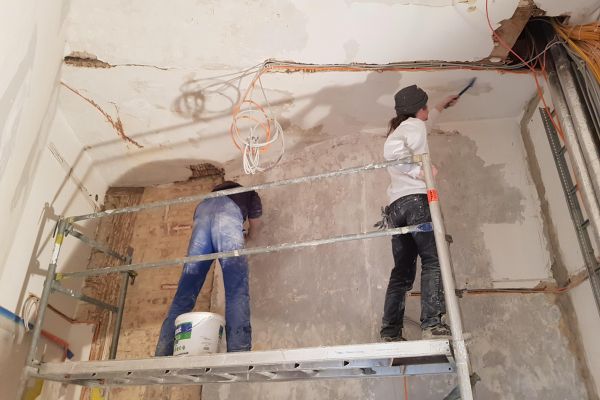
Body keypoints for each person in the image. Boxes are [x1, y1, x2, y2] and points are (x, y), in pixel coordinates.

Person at [380, 84, 458, 341]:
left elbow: (423, 125)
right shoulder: (413, 126)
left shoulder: (408, 126)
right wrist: (420, 172)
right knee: (434, 260)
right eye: (426, 107)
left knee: (402, 272)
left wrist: (440, 106)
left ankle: (390, 332)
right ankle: (432, 324)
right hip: (417, 202)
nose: (427, 112)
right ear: (418, 110)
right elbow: (392, 151)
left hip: (396, 209)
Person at [155, 181, 262, 355]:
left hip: (202, 213)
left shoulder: (210, 197)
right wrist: (248, 237)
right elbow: (255, 227)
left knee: (185, 293)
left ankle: (163, 353)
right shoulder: (251, 194)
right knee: (236, 291)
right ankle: (239, 351)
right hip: (228, 217)